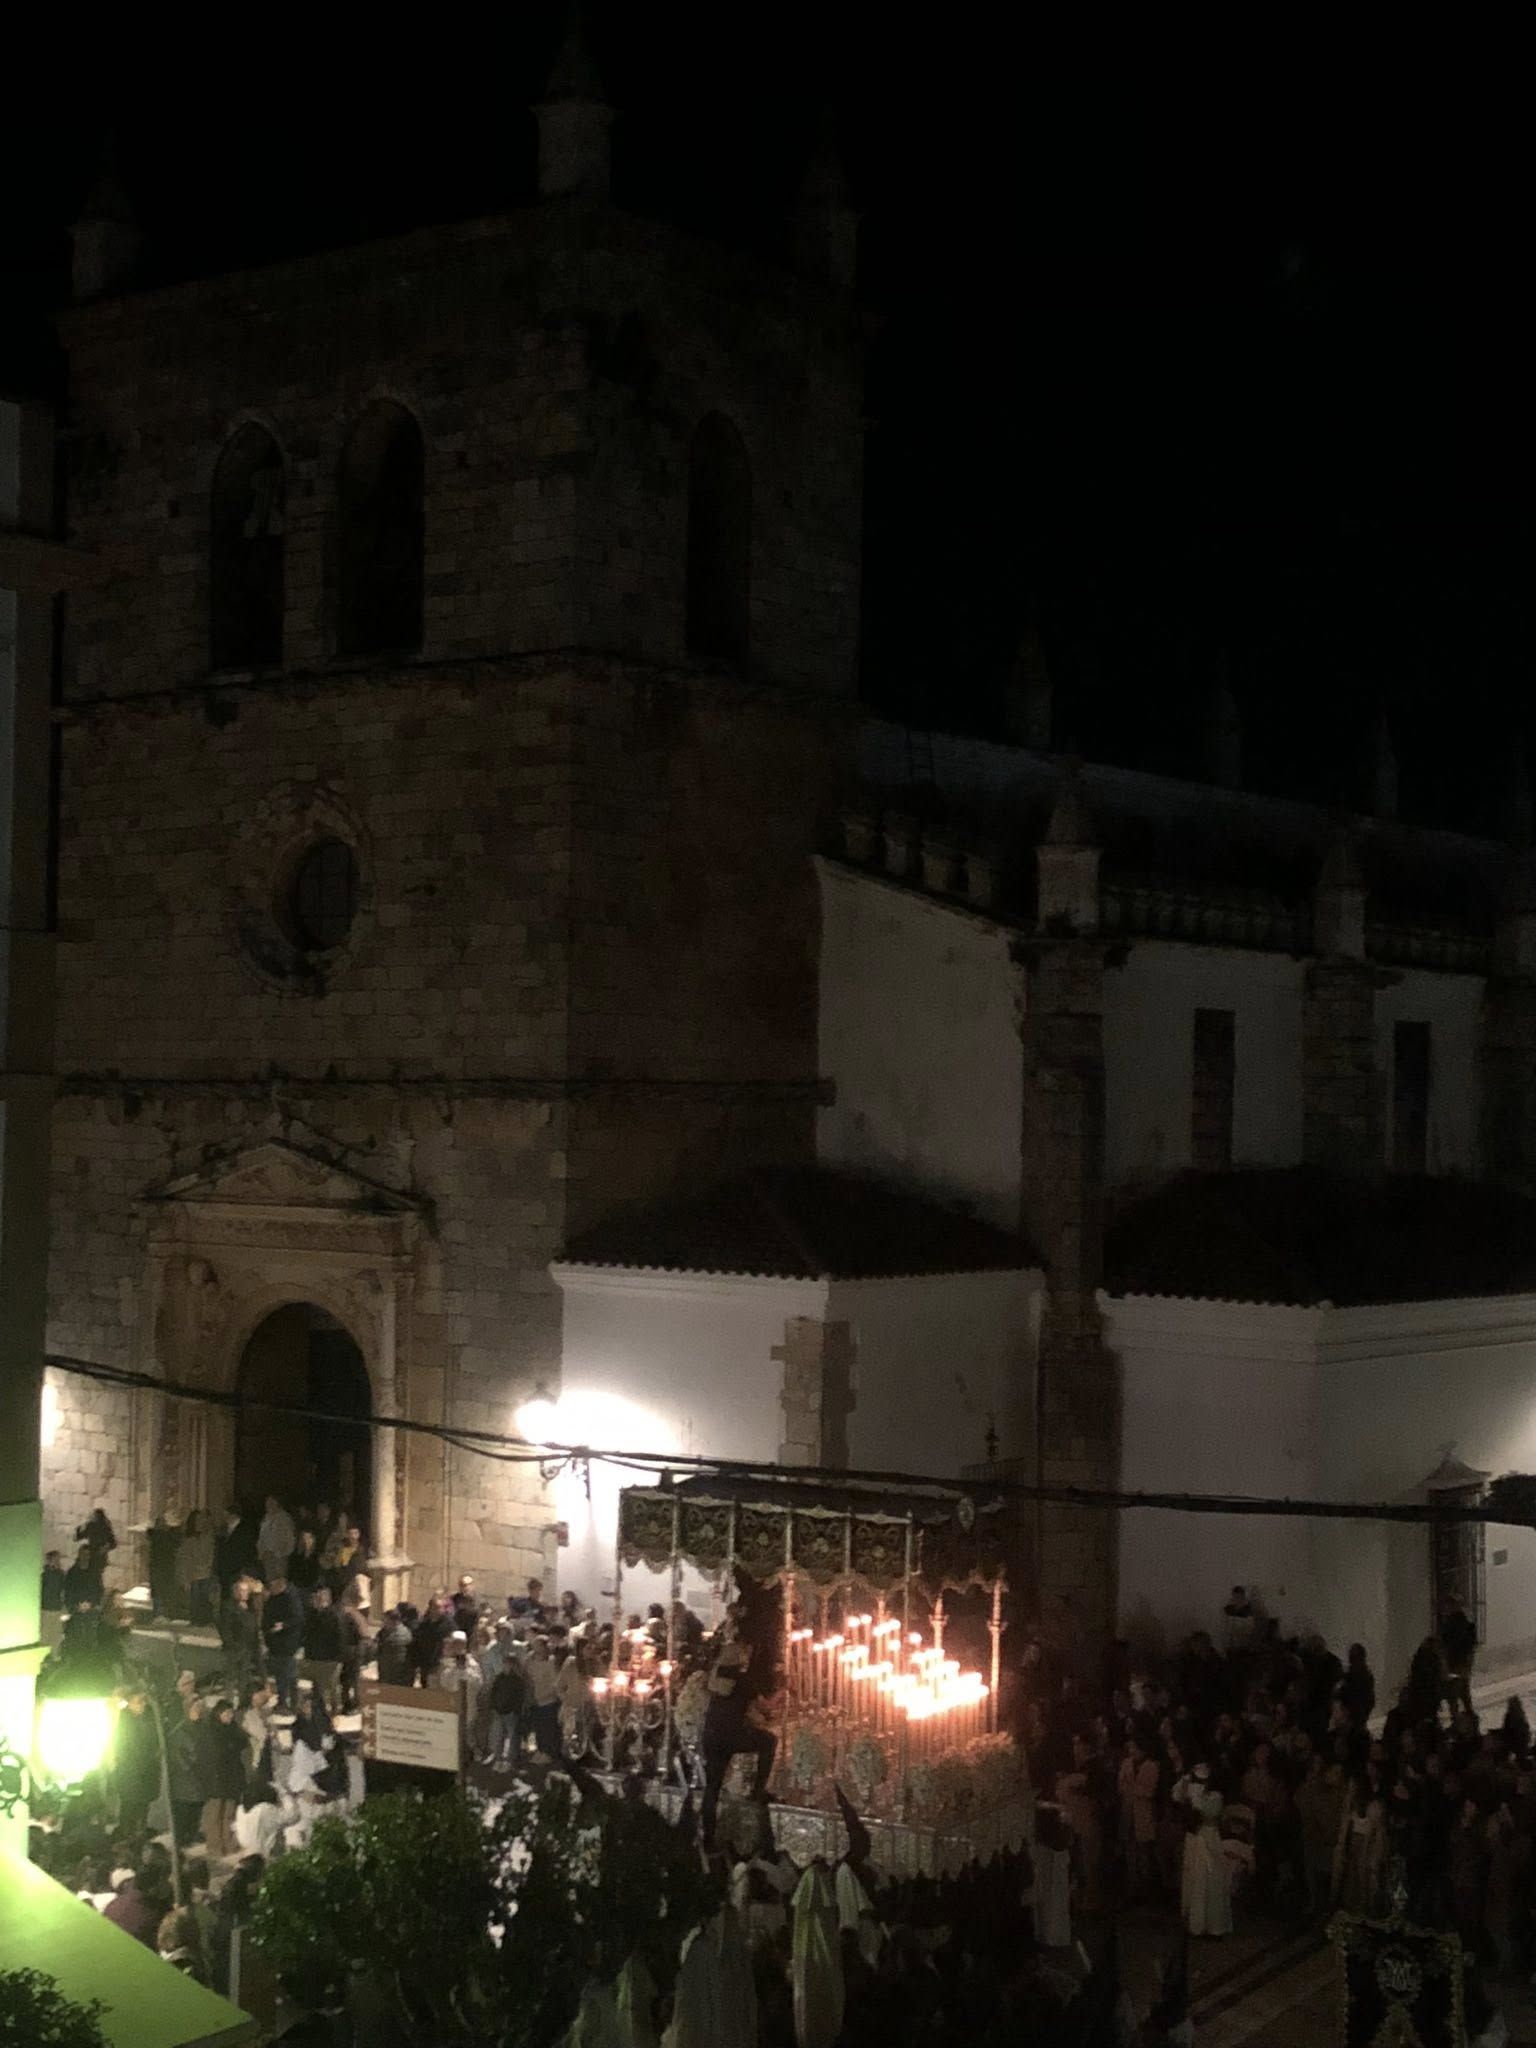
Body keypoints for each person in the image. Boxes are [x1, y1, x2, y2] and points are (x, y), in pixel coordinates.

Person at [699, 1605, 777, 1849]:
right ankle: (757, 1790)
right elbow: (764, 1709)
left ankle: (707, 1836)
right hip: (731, 1736)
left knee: (712, 1785)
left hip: (711, 1735)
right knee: (769, 1742)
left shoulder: (718, 1677)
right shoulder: (744, 1680)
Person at [1173, 1761, 1233, 1937]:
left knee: (1209, 1879)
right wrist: (1185, 1784)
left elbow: (1209, 1811)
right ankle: (1196, 1924)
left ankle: (1214, 1926)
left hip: (1208, 1838)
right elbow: (1177, 1796)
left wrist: (1195, 1796)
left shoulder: (1215, 1797)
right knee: (1194, 1878)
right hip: (1194, 1839)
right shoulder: (1190, 1789)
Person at [198, 1698, 245, 1859]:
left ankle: (228, 1842)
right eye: (226, 1713)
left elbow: (241, 1745)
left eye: (231, 1713)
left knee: (229, 1813)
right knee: (215, 1813)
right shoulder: (211, 1732)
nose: (229, 1716)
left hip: (232, 1776)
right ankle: (215, 1845)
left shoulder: (234, 1730)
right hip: (216, 1778)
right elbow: (212, 1756)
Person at [114, 1688, 162, 1838]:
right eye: (138, 1702)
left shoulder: (148, 1719)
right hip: (131, 1771)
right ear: (129, 1704)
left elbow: (154, 1741)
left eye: (143, 1701)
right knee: (130, 1804)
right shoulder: (124, 1722)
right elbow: (123, 1747)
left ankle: (140, 1830)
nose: (141, 1705)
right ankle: (127, 1833)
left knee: (143, 1804)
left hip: (147, 1769)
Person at [261, 1573, 305, 1712]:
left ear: (280, 1584)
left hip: (287, 1643)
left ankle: (289, 1703)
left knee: (287, 1675)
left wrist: (283, 1625)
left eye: (273, 1585)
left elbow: (298, 1618)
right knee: (283, 1675)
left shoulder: (291, 1598)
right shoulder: (272, 1599)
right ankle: (285, 1702)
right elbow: (266, 1617)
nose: (271, 1588)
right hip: (275, 1643)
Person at [301, 1586, 344, 1712]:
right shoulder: (312, 1615)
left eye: (321, 1597)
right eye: (317, 1597)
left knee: (331, 1686)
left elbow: (339, 1637)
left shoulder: (333, 1615)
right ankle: (319, 1712)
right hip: (315, 1657)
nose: (318, 1599)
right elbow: (307, 1634)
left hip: (330, 1658)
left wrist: (338, 1657)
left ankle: (334, 1711)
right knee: (318, 1688)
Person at [219, 1573, 262, 1692]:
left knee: (244, 1677)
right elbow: (225, 1628)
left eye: (246, 1591)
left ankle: (243, 1702)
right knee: (230, 1676)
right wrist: (231, 1644)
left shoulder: (250, 1607)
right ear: (235, 1592)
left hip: (247, 1647)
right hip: (234, 1648)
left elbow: (253, 1626)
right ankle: (228, 1702)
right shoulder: (228, 1607)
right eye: (242, 1591)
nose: (245, 1593)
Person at [524, 1634, 563, 1760]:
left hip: (548, 1701)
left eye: (538, 1645)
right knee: (538, 1728)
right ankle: (540, 1750)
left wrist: (547, 1694)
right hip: (534, 1700)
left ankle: (549, 1753)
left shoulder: (551, 1662)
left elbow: (555, 1682)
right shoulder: (530, 1661)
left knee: (548, 1728)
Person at [177, 1509, 218, 1626]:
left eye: (202, 1520)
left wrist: (208, 1568)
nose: (200, 1522)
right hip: (193, 1574)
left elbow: (210, 1555)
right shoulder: (188, 1540)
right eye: (198, 1520)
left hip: (205, 1573)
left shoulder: (209, 1537)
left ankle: (205, 1620)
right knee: (195, 1599)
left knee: (205, 1598)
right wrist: (184, 1578)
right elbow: (184, 1559)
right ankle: (196, 1620)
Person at [1441, 1602, 1479, 1715]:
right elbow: (1472, 1647)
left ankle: (1459, 1719)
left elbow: (1445, 1645)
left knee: (1455, 1695)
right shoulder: (1468, 1625)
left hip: (1454, 1664)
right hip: (1462, 1664)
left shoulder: (1449, 1625)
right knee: (1464, 1694)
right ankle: (1469, 1718)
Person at [257, 1495, 296, 1589]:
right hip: (267, 1557)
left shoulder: (284, 1519)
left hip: (279, 1558)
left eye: (271, 1502)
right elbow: (261, 1538)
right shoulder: (266, 1519)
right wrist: (261, 1552)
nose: (268, 1505)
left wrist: (281, 1554)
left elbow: (290, 1540)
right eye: (267, 1503)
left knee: (279, 1585)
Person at [147, 1513, 180, 1620]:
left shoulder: (154, 1536)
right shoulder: (167, 1536)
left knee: (158, 1591)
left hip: (159, 1566)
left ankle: (159, 1613)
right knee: (164, 1590)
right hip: (165, 1566)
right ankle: (165, 1613)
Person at [375, 1607, 414, 1687]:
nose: (383, 1623)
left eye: (385, 1621)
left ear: (394, 1621)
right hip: (387, 1673)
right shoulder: (385, 1632)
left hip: (397, 1675)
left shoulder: (402, 1635)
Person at [63, 1542, 104, 1612]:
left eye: (87, 1554)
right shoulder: (72, 1573)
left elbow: (99, 1589)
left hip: (91, 1609)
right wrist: (75, 1605)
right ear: (79, 1555)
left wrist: (92, 1604)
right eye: (83, 1554)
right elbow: (68, 1590)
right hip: (75, 1609)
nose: (85, 1557)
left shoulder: (95, 1572)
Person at [75, 1506, 117, 1573]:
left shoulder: (105, 1527)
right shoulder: (91, 1525)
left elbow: (113, 1543)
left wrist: (105, 1548)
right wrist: (78, 1530)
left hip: (100, 1556)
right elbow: (79, 1537)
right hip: (91, 1555)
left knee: (96, 1574)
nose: (93, 1517)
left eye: (95, 1516)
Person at [288, 1527, 322, 1597]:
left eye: (309, 1538)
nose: (307, 1541)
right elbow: (291, 1572)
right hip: (296, 1585)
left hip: (310, 1587)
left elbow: (315, 1575)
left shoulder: (317, 1555)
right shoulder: (296, 1555)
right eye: (305, 1538)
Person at [40, 1549, 65, 1613]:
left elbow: (63, 1589)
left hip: (57, 1606)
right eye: (55, 1559)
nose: (57, 1562)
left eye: (58, 1560)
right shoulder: (44, 1574)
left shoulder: (61, 1574)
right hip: (46, 1606)